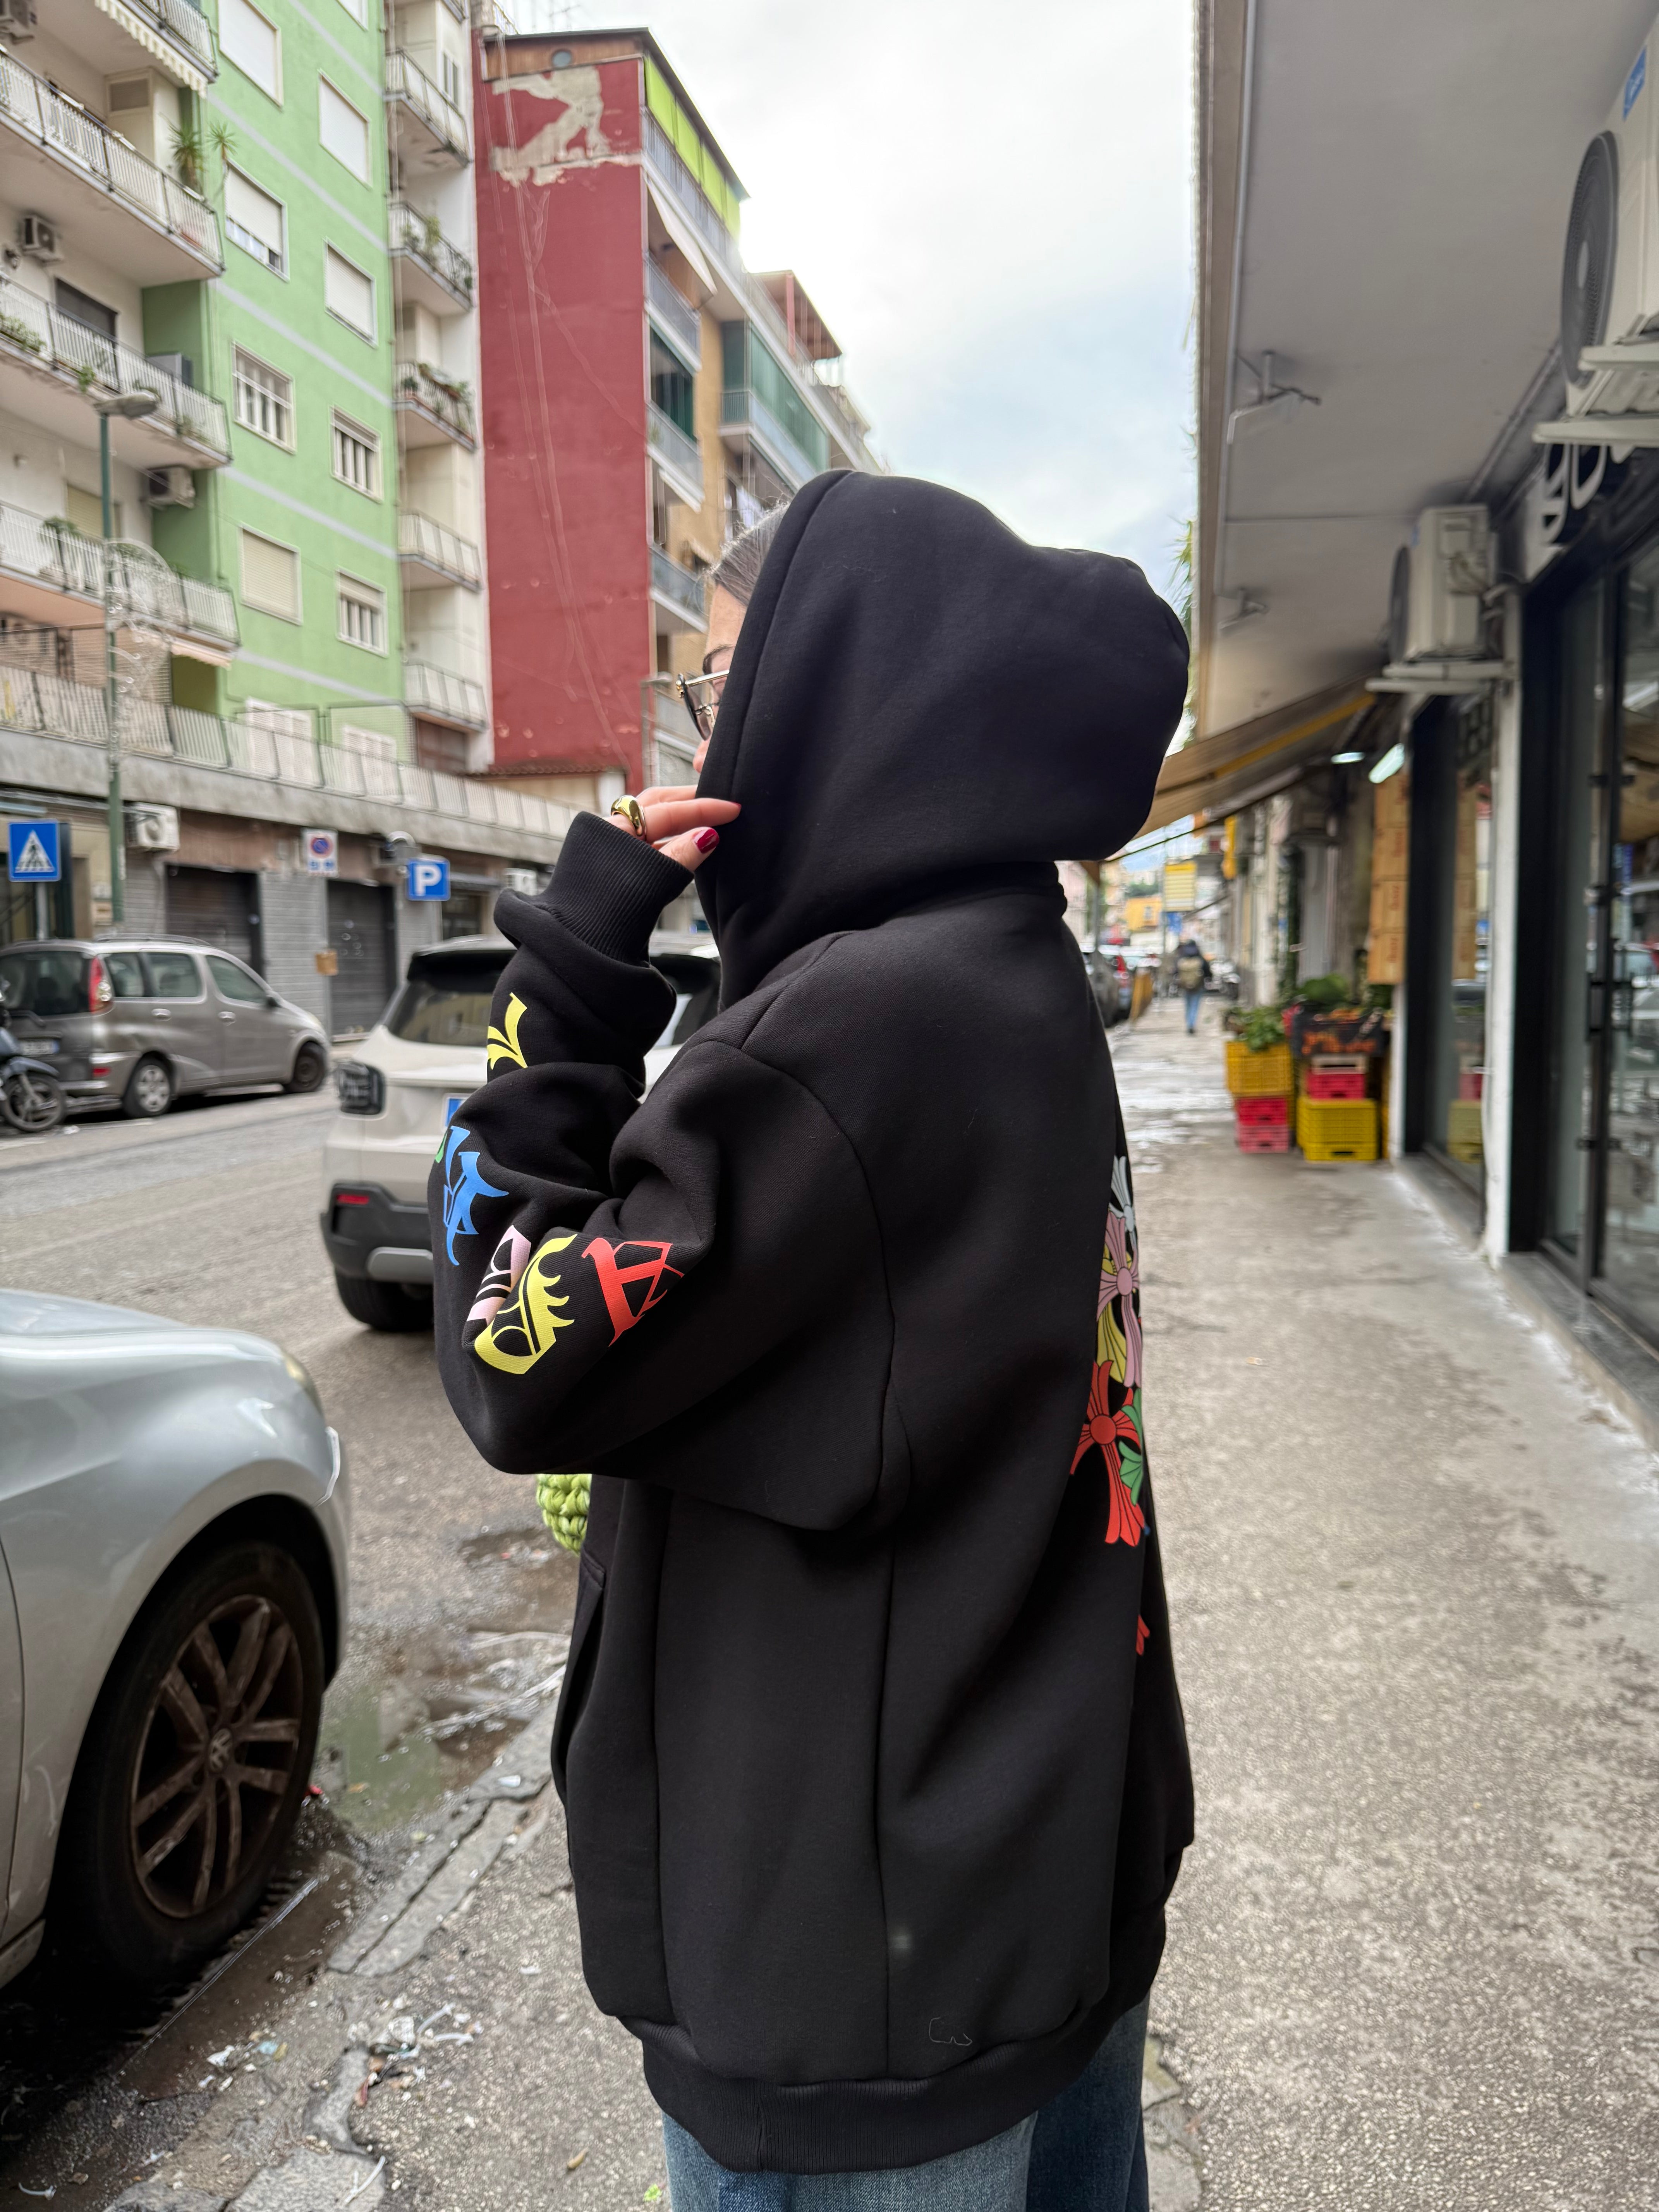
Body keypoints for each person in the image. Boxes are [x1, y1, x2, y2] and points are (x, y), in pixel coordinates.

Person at [430, 475, 1194, 2210]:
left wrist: (573, 962)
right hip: (1021, 1881)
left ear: (836, 687)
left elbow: (507, 1358)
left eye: (719, 683)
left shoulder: (846, 1035)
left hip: (855, 1982)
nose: (702, 737)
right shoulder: (1003, 970)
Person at [1174, 937, 1211, 1034]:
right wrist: (1208, 978)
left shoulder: (1182, 957)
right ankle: (1192, 1024)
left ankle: (1189, 1024)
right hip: (1198, 986)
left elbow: (1176, 971)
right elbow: (1208, 971)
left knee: (1188, 1005)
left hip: (1185, 986)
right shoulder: (1199, 958)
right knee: (1195, 1005)